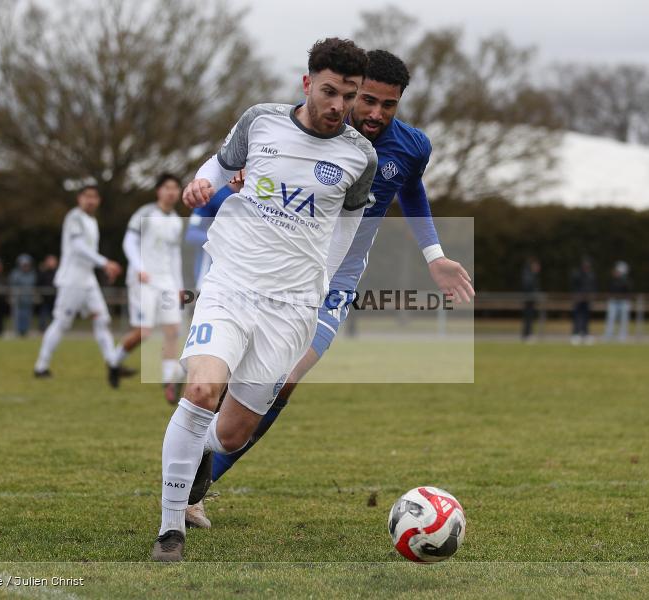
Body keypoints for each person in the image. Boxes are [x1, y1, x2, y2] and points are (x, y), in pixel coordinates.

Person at [190, 49, 475, 530]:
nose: (375, 113)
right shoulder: (308, 134)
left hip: (334, 284)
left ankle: (199, 483)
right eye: (367, 100)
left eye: (389, 105)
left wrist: (435, 255)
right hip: (268, 274)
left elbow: (410, 186)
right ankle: (191, 451)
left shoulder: (411, 146)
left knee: (284, 380)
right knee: (227, 378)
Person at [151, 38, 379, 562]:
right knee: (202, 390)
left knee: (232, 435)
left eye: (348, 96)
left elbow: (346, 230)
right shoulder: (261, 122)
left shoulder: (359, 156)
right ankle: (170, 531)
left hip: (292, 307)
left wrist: (320, 287)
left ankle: (198, 455)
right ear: (307, 83)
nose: (338, 106)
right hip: (232, 283)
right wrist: (201, 184)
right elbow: (219, 164)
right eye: (329, 92)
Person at [33, 185, 123, 378]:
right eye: (87, 196)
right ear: (79, 198)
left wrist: (102, 265)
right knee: (62, 322)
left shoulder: (92, 221)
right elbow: (78, 247)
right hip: (72, 279)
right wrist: (105, 263)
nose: (90, 200)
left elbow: (88, 251)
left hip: (88, 279)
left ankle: (113, 364)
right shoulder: (74, 217)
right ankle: (41, 366)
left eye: (94, 197)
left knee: (102, 320)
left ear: (98, 200)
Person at [108, 173, 185, 396]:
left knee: (173, 330)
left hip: (166, 281)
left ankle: (168, 380)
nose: (171, 192)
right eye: (167, 187)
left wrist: (179, 285)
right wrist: (139, 267)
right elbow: (129, 241)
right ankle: (114, 362)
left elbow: (175, 255)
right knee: (143, 332)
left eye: (175, 188)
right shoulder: (146, 213)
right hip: (144, 281)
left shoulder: (176, 221)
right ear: (158, 190)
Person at [184, 172, 244, 291]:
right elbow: (191, 234)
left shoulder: (253, 198)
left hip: (237, 275)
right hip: (209, 273)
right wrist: (221, 240)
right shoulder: (214, 194)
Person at [604, 261, 633, 342]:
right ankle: (608, 335)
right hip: (613, 301)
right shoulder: (613, 280)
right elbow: (610, 289)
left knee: (623, 320)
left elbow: (628, 290)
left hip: (623, 302)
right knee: (611, 319)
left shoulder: (626, 280)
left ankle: (622, 336)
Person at [9, 254, 37, 337]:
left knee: (27, 316)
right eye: (24, 265)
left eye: (27, 264)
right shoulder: (15, 274)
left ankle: (25, 332)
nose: (25, 266)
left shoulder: (32, 274)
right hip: (18, 300)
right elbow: (12, 286)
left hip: (28, 299)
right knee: (17, 316)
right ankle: (17, 332)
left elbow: (33, 285)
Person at [570, 256, 596, 345]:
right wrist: (577, 296)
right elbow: (574, 286)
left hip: (587, 299)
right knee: (577, 317)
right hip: (578, 299)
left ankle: (585, 334)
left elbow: (592, 287)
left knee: (586, 317)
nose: (586, 267)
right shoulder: (577, 274)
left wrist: (591, 296)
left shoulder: (591, 275)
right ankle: (575, 334)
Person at [521, 257, 541, 342]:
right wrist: (534, 294)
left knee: (530, 317)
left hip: (530, 299)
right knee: (528, 317)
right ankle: (527, 334)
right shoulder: (529, 275)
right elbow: (528, 287)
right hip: (528, 299)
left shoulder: (531, 275)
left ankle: (528, 334)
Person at [37, 254, 58, 332]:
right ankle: (42, 330)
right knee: (43, 315)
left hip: (55, 298)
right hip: (45, 299)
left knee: (55, 316)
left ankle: (55, 330)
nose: (50, 263)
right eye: (49, 261)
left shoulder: (58, 272)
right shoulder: (43, 272)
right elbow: (38, 283)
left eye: (52, 261)